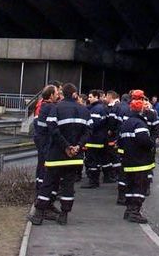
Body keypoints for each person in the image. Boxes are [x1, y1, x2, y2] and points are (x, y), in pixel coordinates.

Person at [29, 83, 91, 226]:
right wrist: (77, 147)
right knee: (68, 186)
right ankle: (64, 215)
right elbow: (88, 131)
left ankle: (38, 215)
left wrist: (66, 146)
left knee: (48, 184)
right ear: (75, 94)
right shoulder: (84, 111)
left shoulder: (56, 108)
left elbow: (53, 130)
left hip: (57, 155)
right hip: (74, 157)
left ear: (64, 93)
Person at [119, 95, 155, 223]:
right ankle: (135, 212)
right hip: (140, 161)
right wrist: (151, 144)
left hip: (128, 161)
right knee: (140, 189)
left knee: (130, 188)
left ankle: (129, 211)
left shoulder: (126, 123)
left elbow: (121, 142)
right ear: (140, 110)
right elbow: (144, 140)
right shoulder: (139, 123)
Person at [33, 85, 59, 193]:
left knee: (41, 166)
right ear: (51, 95)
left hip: (41, 139)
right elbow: (53, 128)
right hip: (47, 142)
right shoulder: (51, 108)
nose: (58, 95)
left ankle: (39, 188)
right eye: (57, 93)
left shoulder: (42, 106)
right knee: (46, 168)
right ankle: (44, 191)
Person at [82, 90, 109, 188]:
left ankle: (93, 182)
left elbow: (93, 124)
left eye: (90, 97)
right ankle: (95, 180)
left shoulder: (95, 109)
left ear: (96, 97)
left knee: (92, 161)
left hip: (93, 139)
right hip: (100, 138)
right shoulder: (103, 108)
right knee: (96, 161)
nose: (88, 99)